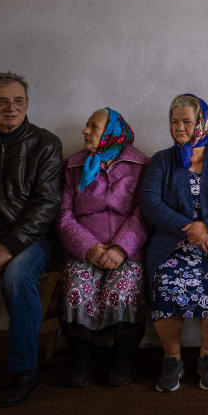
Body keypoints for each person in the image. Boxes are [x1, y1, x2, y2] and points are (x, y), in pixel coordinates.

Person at [0, 72, 63, 406]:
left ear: (27, 104)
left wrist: (8, 247)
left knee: (18, 278)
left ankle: (24, 372)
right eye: (2, 101)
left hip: (31, 242)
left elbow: (46, 206)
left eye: (18, 100)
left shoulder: (45, 144)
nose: (11, 108)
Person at [141, 94, 208, 393]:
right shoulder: (162, 160)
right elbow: (150, 203)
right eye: (174, 122)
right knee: (164, 281)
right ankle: (172, 359)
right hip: (174, 243)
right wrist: (189, 229)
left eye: (187, 121)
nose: (179, 127)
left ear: (202, 122)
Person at [57, 108, 148, 388]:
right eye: (86, 126)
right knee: (76, 287)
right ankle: (81, 359)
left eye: (93, 127)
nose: (86, 131)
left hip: (126, 249)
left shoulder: (140, 165)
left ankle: (124, 359)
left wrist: (121, 249)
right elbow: (63, 216)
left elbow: (143, 213)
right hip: (84, 247)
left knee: (123, 288)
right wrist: (89, 248)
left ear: (111, 132)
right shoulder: (73, 166)